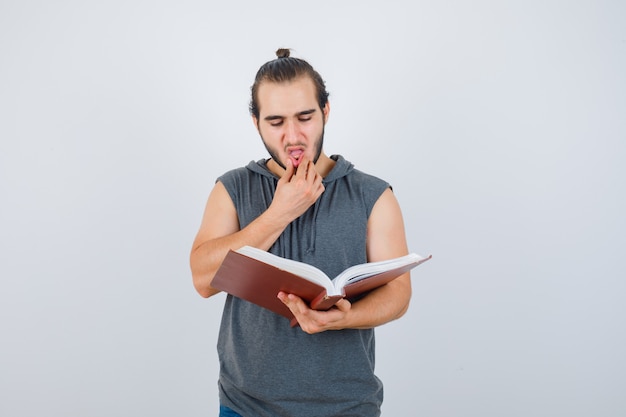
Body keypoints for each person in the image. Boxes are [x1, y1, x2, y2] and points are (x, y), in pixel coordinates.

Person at [190, 48, 412, 417]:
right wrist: (280, 212)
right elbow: (202, 280)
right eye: (275, 122)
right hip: (245, 406)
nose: (293, 136)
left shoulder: (374, 195)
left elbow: (399, 295)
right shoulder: (231, 188)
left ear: (325, 112)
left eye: (305, 117)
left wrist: (344, 318)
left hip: (348, 407)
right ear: (256, 122)